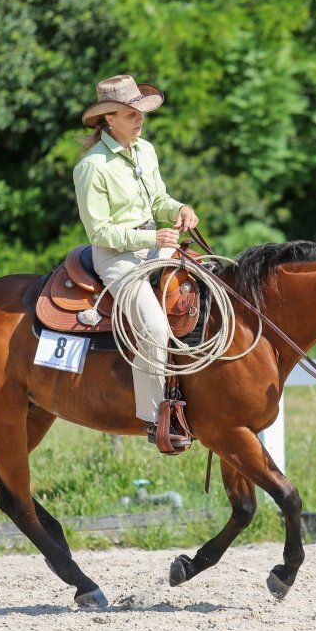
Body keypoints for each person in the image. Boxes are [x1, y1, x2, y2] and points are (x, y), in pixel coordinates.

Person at [73, 74, 199, 448]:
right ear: (109, 118)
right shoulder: (92, 167)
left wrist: (181, 209)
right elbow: (99, 232)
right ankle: (156, 415)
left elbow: (159, 201)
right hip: (116, 258)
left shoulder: (145, 150)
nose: (139, 118)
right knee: (155, 328)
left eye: (140, 111)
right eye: (131, 113)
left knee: (212, 289)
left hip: (154, 245)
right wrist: (152, 237)